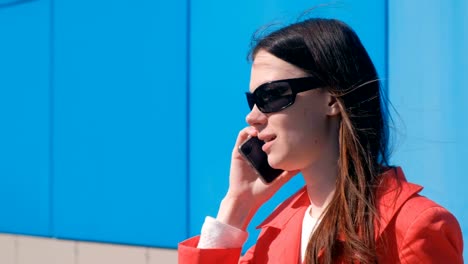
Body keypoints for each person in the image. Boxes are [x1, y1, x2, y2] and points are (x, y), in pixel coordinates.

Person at [178, 18, 464, 263]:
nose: (252, 117)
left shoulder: (412, 225)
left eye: (271, 95)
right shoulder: (276, 236)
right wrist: (237, 205)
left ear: (331, 97)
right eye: (252, 100)